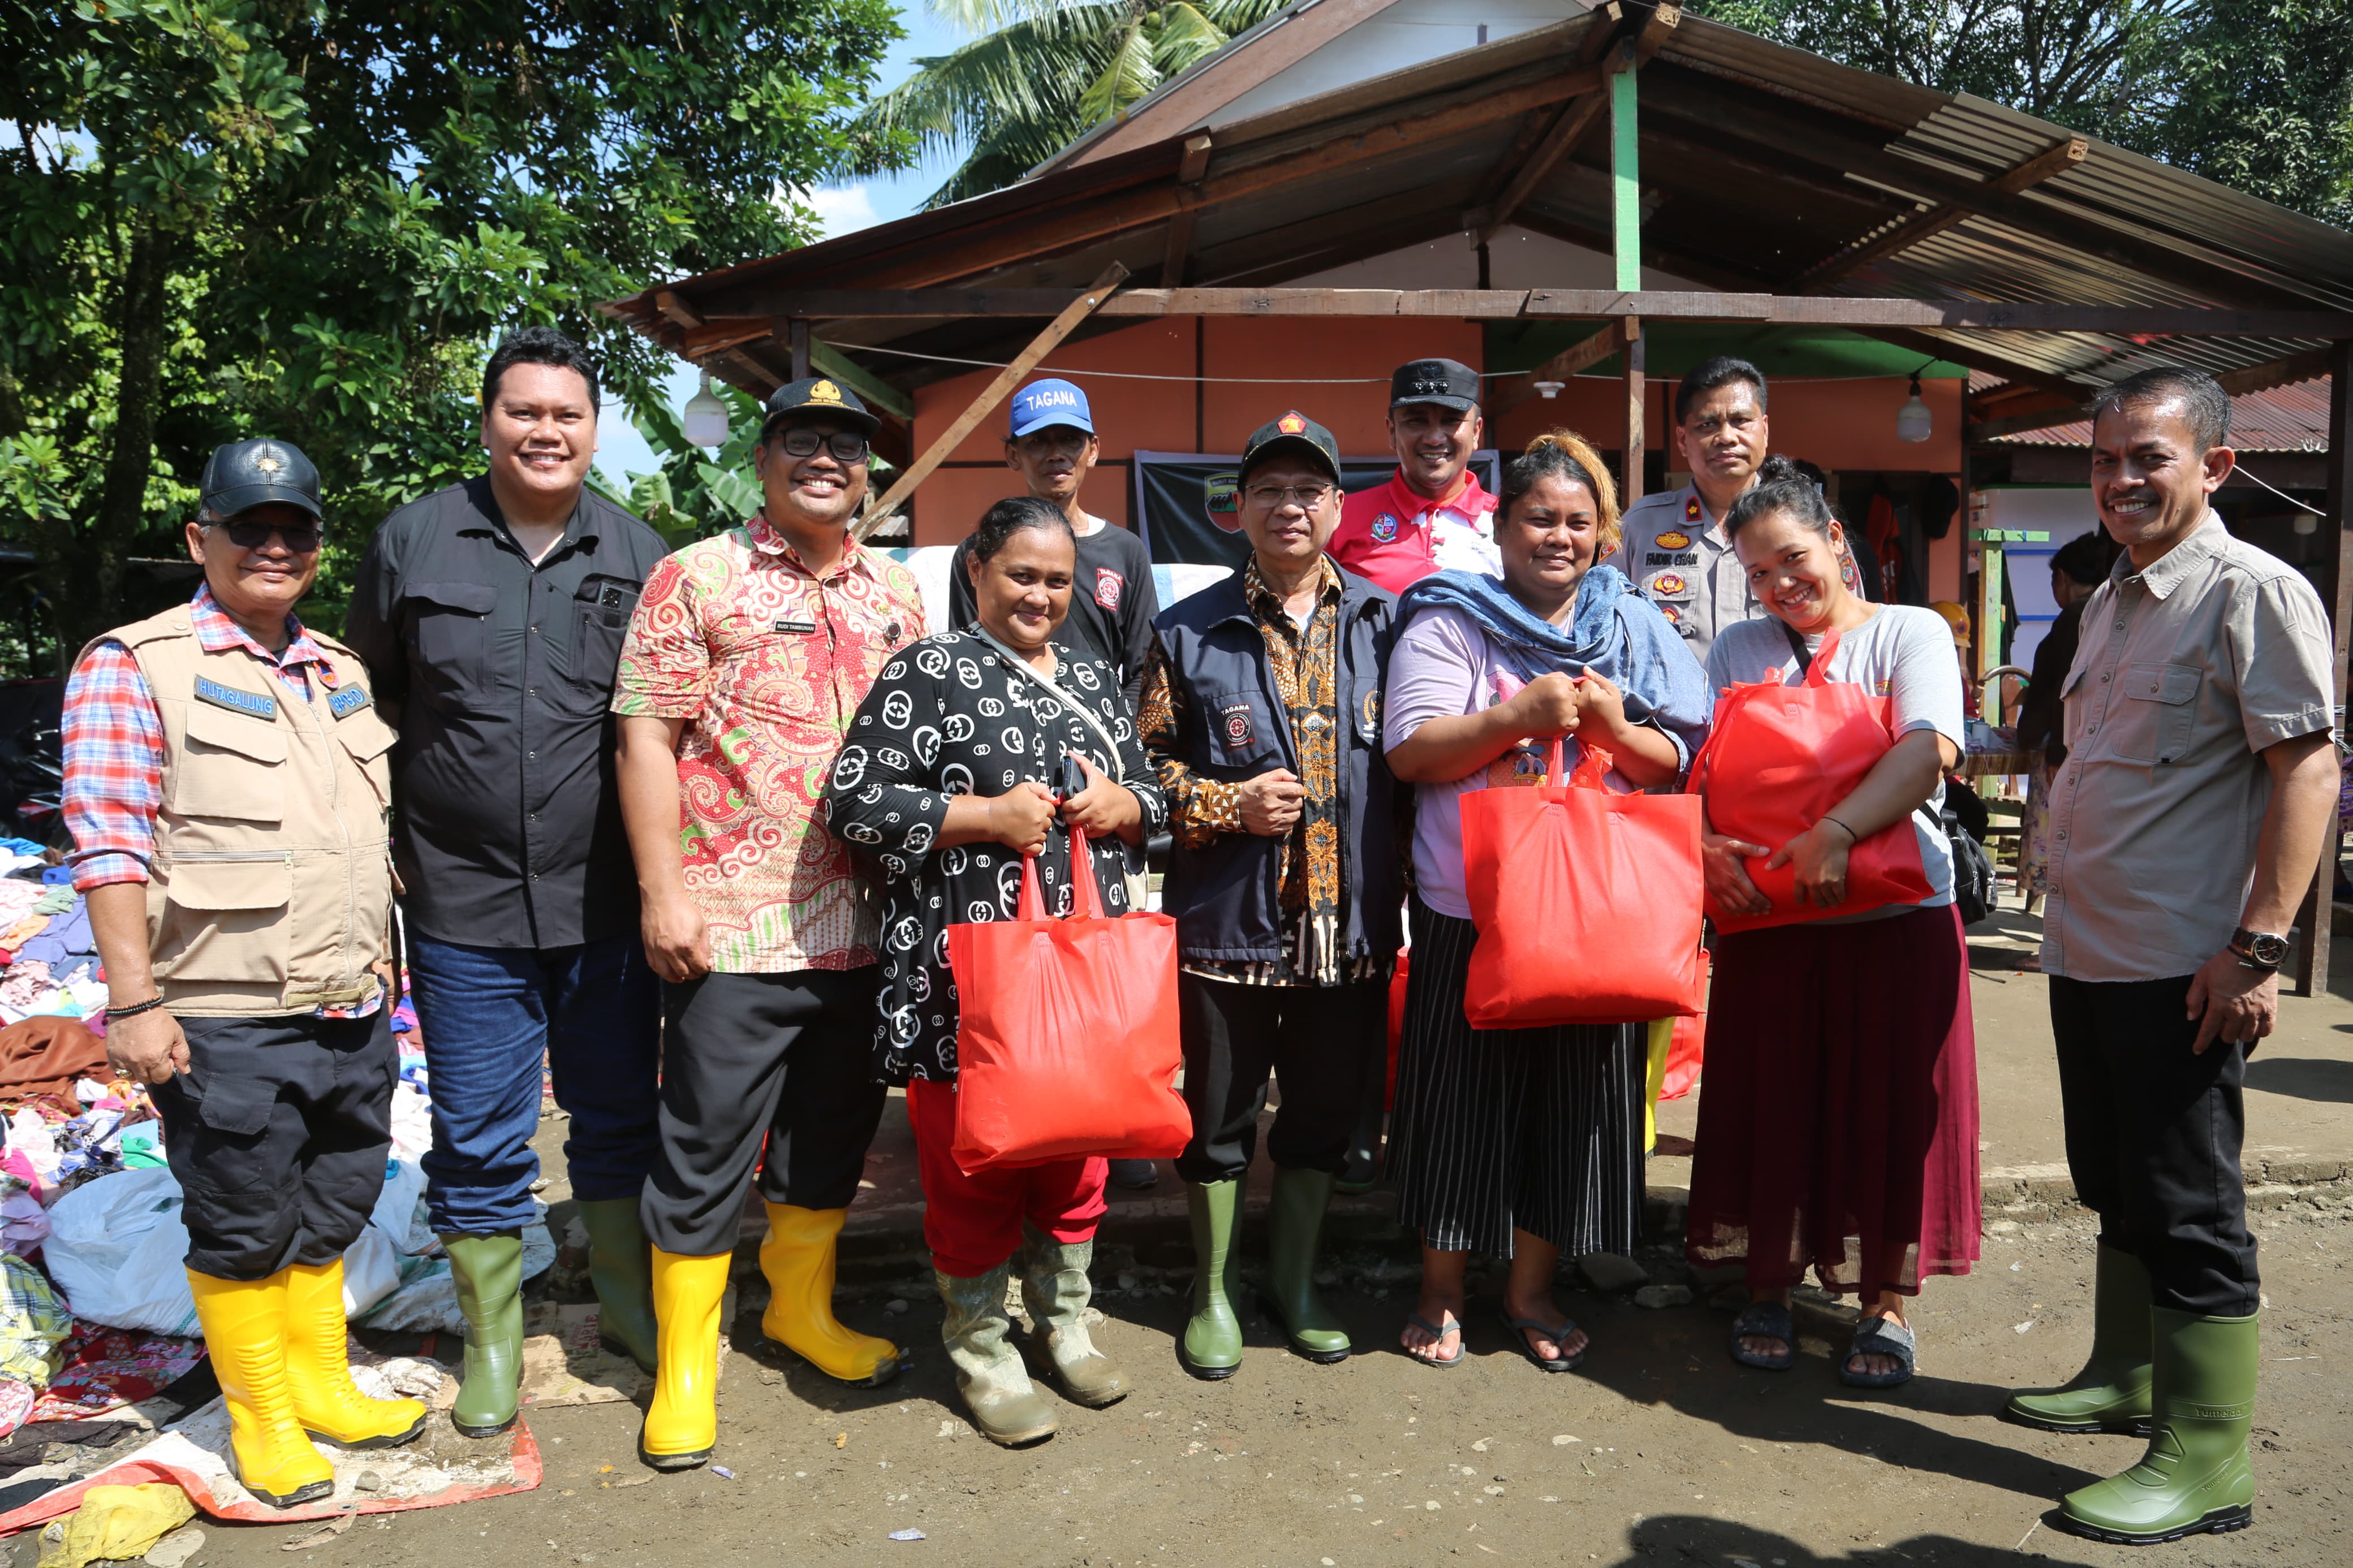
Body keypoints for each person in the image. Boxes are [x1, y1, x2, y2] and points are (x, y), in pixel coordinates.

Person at [2003, 368, 2338, 1545]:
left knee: (2190, 1202)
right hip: (2091, 949)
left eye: (2146, 457)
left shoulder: (2253, 592)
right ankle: (2127, 1371)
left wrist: (2256, 949)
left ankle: (2205, 1458)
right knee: (2115, 1175)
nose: (2119, 479)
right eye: (2102, 460)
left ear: (2215, 465)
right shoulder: (2113, 598)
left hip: (2183, 960)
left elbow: (2305, 772)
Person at [64, 441, 425, 1507]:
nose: (275, 547)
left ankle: (319, 1379)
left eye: (295, 530)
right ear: (199, 540)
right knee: (241, 1215)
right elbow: (110, 843)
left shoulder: (339, 670)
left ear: (317, 547)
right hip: (223, 1003)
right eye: (249, 528)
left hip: (351, 997)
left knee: (341, 1192)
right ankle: (263, 1413)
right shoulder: (136, 664)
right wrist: (133, 1002)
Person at [345, 327, 671, 1436]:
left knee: (619, 1115)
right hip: (461, 903)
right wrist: (374, 835)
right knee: (479, 1136)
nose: (546, 430)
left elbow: (666, 730)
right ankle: (494, 1341)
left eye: (566, 413)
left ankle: (624, 1300)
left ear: (594, 428)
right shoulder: (414, 541)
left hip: (607, 903)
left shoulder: (640, 554)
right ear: (487, 420)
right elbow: (369, 701)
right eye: (523, 411)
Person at [611, 377, 928, 1471]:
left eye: (844, 446)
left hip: (862, 927)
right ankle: (684, 1371)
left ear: (867, 470)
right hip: (733, 927)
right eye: (802, 442)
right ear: (763, 460)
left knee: (830, 1139)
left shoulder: (897, 593)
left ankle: (801, 1313)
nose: (824, 461)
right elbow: (646, 737)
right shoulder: (695, 576)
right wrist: (662, 891)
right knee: (702, 1151)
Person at [827, 495, 1169, 1446]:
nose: (1041, 594)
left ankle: (1064, 1321)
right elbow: (854, 800)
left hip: (1086, 979)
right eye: (1022, 572)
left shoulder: (1100, 679)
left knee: (1078, 1157)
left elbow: (1154, 797)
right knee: (973, 1166)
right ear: (976, 567)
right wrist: (980, 818)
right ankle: (981, 1346)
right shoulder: (930, 671)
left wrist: (1121, 800)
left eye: (1058, 579)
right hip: (965, 984)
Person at [1381, 431, 1712, 1371]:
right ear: (1501, 523)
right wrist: (1509, 722)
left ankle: (1530, 1290)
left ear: (1602, 532)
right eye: (1539, 518)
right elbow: (1411, 752)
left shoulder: (1631, 623)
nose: (1559, 536)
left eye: (1578, 520)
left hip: (1594, 911)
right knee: (1457, 1106)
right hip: (1471, 907)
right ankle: (1441, 1287)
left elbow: (1682, 757)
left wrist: (1615, 724)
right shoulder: (1450, 618)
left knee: (1572, 1113)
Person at [1685, 455, 1981, 1391]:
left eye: (1792, 559)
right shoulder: (1739, 647)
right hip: (1772, 918)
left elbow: (1929, 747)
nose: (1779, 586)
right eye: (1759, 573)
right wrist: (1701, 843)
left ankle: (1881, 1304)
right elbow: (1701, 762)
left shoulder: (1910, 632)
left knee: (1885, 1108)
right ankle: (1767, 1281)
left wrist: (1839, 829)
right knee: (1773, 1101)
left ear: (1839, 542)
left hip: (1896, 915)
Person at [1138, 411, 1403, 1376]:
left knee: (1324, 1116)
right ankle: (1213, 1290)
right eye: (1269, 490)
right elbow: (1143, 770)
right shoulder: (1187, 629)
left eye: (1308, 490)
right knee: (1218, 1121)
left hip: (1354, 926)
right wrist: (1226, 801)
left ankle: (1294, 1283)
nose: (1288, 506)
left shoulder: (1387, 621)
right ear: (1237, 507)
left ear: (1336, 504)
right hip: (1227, 927)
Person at [945, 378, 1164, 1194]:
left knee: (1103, 949)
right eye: (1039, 443)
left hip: (1098, 788)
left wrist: (1124, 785)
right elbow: (964, 653)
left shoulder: (1125, 552)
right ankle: (1018, 1102)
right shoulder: (985, 546)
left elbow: (1142, 669)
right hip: (1006, 797)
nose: (1056, 455)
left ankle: (1112, 1115)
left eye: (1070, 441)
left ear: (1094, 452)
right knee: (1015, 956)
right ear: (1013, 455)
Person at [1612, 357, 1774, 661]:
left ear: (1764, 430)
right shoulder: (1641, 526)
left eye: (1741, 421)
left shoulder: (1805, 525)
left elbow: (1841, 630)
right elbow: (1602, 626)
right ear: (1683, 439)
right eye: (1707, 424)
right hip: (1671, 710)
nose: (1727, 437)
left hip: (1778, 708)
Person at [2010, 531, 2114, 922]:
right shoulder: (2107, 611)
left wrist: (2048, 747)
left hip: (2067, 753)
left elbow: (2061, 692)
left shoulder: (2076, 618)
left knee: (2060, 845)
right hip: (2098, 749)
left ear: (2064, 579)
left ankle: (2055, 938)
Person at [1329, 357, 1499, 594]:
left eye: (1451, 421)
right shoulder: (1338, 519)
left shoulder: (1509, 522)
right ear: (1392, 431)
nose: (1434, 439)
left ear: (1476, 431)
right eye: (1416, 421)